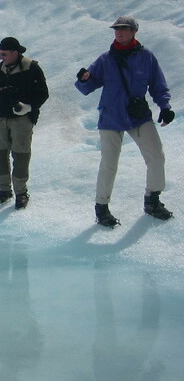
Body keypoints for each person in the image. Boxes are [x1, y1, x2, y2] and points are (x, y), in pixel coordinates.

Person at [75, 16, 174, 227]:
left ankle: (152, 200)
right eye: (116, 29)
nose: (119, 32)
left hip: (138, 116)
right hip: (111, 116)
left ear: (133, 32)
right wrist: (83, 79)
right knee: (109, 164)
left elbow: (158, 84)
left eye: (124, 29)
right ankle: (101, 208)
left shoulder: (146, 57)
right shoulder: (105, 59)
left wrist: (165, 107)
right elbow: (87, 87)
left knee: (156, 155)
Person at [0, 37, 49, 209]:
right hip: (0, 118)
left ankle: (21, 192)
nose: (0, 58)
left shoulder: (32, 68)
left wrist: (28, 107)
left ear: (15, 52)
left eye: (4, 54)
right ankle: (3, 190)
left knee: (21, 155)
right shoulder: (0, 69)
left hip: (21, 120)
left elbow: (43, 94)